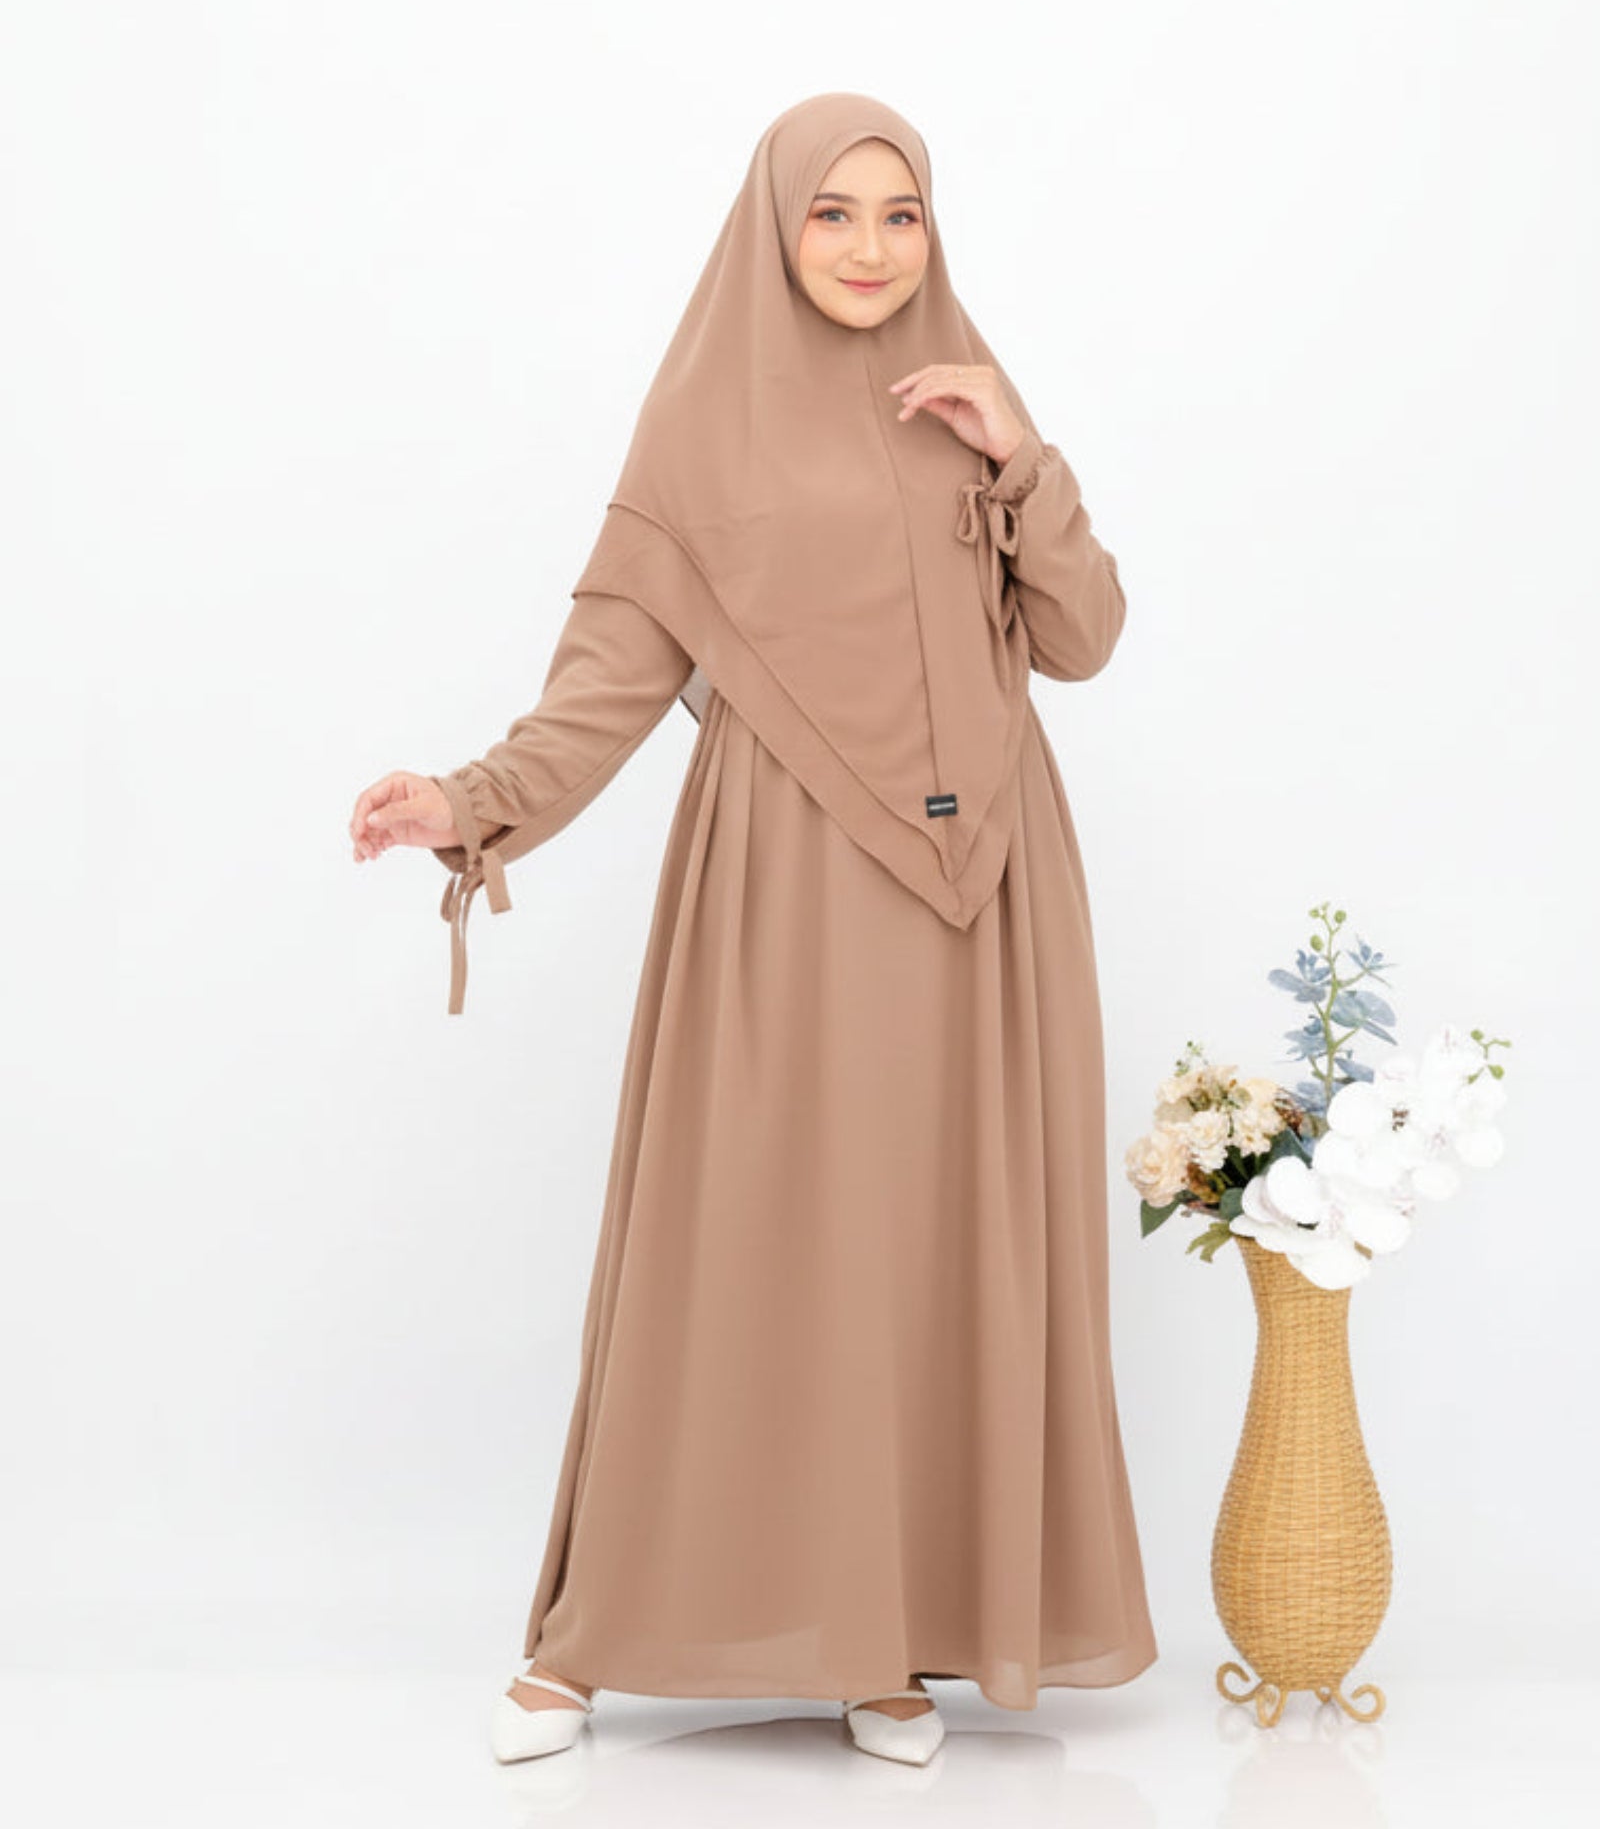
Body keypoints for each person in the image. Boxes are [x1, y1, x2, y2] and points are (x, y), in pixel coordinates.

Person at [349, 91, 1157, 1768]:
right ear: (772, 230)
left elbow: (1082, 640)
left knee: (928, 1253)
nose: (870, 248)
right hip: (793, 883)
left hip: (989, 896)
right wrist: (471, 800)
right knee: (747, 1248)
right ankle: (587, 1645)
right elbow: (610, 679)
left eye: (901, 215)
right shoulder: (697, 426)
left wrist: (1023, 455)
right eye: (832, 214)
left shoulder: (974, 408)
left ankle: (885, 1647)